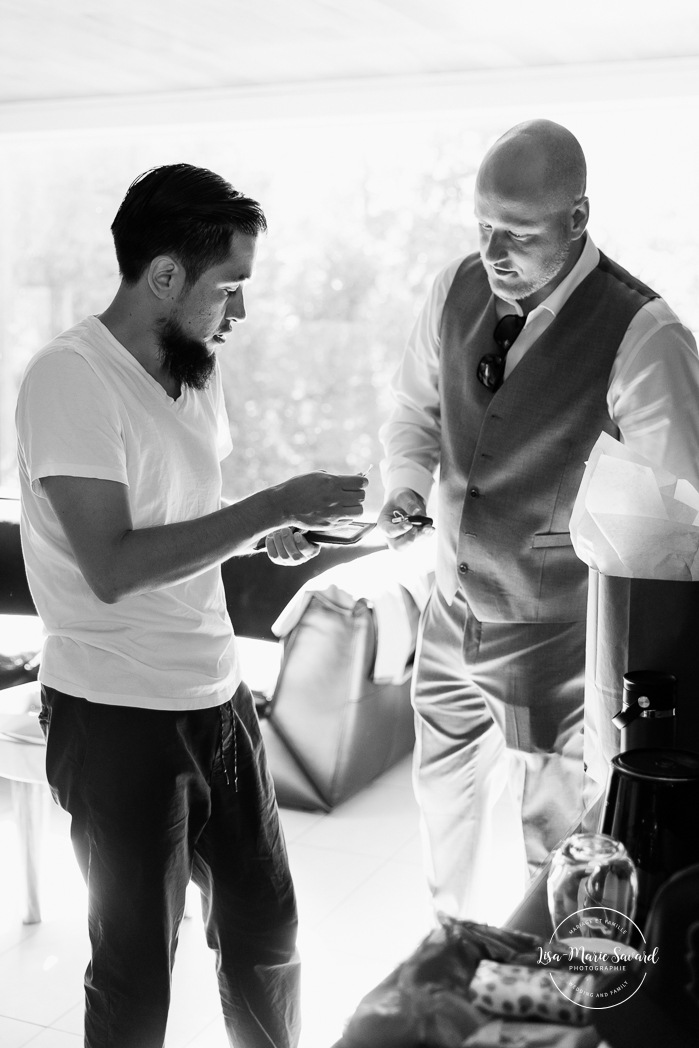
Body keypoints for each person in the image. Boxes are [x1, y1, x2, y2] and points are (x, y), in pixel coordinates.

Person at [15, 163, 367, 1048]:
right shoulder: (68, 380)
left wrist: (257, 535)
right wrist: (273, 504)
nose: (239, 313)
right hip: (117, 717)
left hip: (217, 699)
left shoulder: (197, 369)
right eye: (229, 288)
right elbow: (111, 565)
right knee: (136, 977)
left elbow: (181, 519)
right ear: (164, 276)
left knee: (268, 934)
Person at [377, 119, 699, 922]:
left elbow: (689, 499)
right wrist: (407, 483)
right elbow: (414, 407)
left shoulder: (644, 333)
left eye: (517, 234)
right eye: (483, 226)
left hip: (553, 631)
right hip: (448, 614)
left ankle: (540, 1005)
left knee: (551, 839)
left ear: (577, 219)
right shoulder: (451, 288)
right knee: (441, 804)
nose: (493, 253)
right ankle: (447, 955)